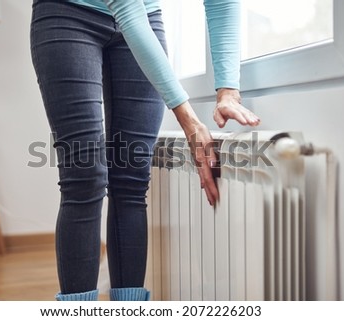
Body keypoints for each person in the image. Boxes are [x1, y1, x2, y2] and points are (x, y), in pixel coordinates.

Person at [30, 0, 260, 301]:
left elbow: (222, 2)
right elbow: (126, 9)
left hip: (145, 16)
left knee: (132, 179)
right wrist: (189, 121)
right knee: (85, 176)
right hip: (67, 13)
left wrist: (228, 90)